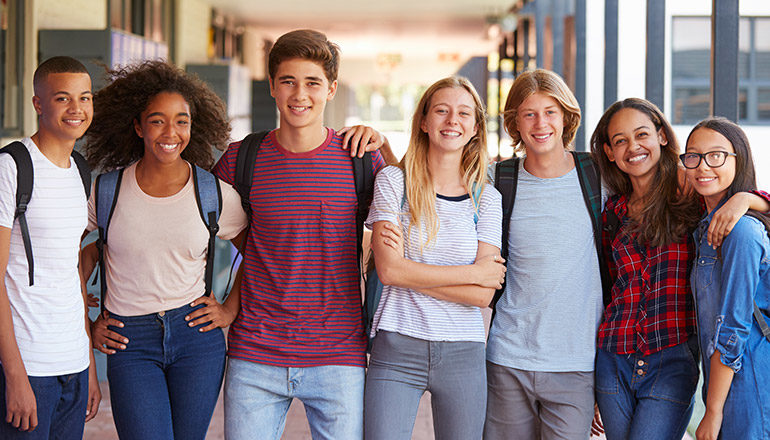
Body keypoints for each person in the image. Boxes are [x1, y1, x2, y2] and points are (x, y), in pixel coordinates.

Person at [212, 29, 390, 439]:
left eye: (312, 83)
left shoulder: (360, 157)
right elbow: (230, 236)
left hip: (339, 353)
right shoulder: (241, 159)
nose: (299, 94)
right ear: (272, 86)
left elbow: (410, 199)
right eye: (288, 81)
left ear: (330, 90)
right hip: (255, 353)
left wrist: (383, 143)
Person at [81, 60, 248, 440]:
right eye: (157, 120)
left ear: (193, 125)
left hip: (196, 337)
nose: (170, 132)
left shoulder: (212, 193)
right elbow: (72, 252)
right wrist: (87, 322)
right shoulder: (107, 191)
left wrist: (229, 308)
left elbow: (257, 253)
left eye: (181, 121)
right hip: (129, 339)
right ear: (139, 126)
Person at [589, 98, 770, 440]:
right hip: (614, 355)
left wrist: (746, 198)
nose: (633, 147)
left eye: (641, 134)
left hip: (671, 358)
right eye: (620, 140)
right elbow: (605, 287)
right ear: (609, 151)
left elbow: (750, 224)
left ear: (661, 136)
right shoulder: (611, 210)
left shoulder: (691, 193)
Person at [364, 76, 504, 440]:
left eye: (463, 113)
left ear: (475, 128)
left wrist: (410, 271)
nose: (451, 120)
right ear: (424, 122)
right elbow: (389, 270)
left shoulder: (487, 200)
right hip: (396, 344)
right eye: (441, 111)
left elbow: (483, 296)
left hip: (464, 352)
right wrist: (473, 272)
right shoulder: (394, 183)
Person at [481, 68, 605, 440]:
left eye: (550, 112)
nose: (540, 123)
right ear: (514, 122)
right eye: (529, 113)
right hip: (507, 357)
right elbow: (430, 177)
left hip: (576, 363)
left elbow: (673, 182)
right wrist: (378, 146)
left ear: (566, 116)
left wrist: (749, 198)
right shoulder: (496, 179)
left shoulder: (598, 176)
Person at [0, 56, 100, 438]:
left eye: (85, 97)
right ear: (38, 103)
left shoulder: (81, 170)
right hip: (27, 363)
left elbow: (71, 270)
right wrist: (15, 375)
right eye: (63, 98)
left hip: (72, 362)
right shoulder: (12, 167)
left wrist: (88, 363)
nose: (77, 109)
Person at [682, 117, 770, 440]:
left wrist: (714, 410)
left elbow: (732, 327)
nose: (703, 166)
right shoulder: (704, 229)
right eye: (693, 156)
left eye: (716, 155)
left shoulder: (744, 231)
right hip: (724, 385)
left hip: (752, 385)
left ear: (739, 159)